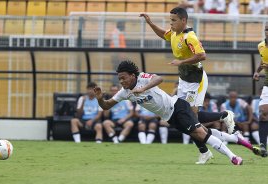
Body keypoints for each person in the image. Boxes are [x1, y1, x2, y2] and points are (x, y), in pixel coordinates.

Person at [94, 60, 243, 165]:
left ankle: (233, 157)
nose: (121, 81)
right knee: (201, 132)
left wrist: (143, 89)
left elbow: (159, 78)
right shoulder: (124, 93)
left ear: (132, 75)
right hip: (170, 117)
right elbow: (106, 106)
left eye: (123, 78)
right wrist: (100, 99)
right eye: (119, 79)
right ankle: (228, 138)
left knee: (200, 134)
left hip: (177, 106)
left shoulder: (143, 78)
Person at [140, 7, 237, 164]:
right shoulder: (174, 33)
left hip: (195, 80)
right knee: (187, 117)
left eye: (174, 20)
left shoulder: (189, 37)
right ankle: (209, 143)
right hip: (184, 79)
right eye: (170, 20)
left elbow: (202, 55)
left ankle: (222, 120)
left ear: (183, 20)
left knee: (190, 117)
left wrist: (181, 62)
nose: (171, 23)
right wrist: (150, 22)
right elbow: (163, 34)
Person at [253, 23, 268, 157]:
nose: (267, 32)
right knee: (263, 112)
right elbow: (263, 62)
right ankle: (263, 145)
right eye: (266, 30)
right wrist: (257, 71)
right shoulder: (261, 46)